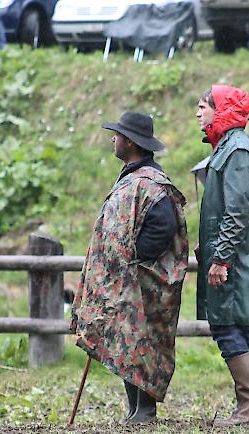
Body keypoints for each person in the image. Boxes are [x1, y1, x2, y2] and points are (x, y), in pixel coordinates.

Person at [70, 111, 188, 424]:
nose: (113, 138)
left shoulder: (152, 184)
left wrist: (134, 256)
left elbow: (163, 227)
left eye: (118, 134)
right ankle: (136, 410)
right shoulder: (132, 178)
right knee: (125, 344)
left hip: (142, 283)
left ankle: (146, 411)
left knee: (142, 344)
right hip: (126, 281)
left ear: (131, 142)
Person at [195, 85, 249, 428]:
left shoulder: (238, 151)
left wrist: (221, 258)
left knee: (227, 325)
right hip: (231, 257)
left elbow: (238, 211)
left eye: (203, 106)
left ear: (221, 109)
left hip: (235, 261)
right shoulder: (227, 149)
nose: (198, 113)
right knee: (233, 324)